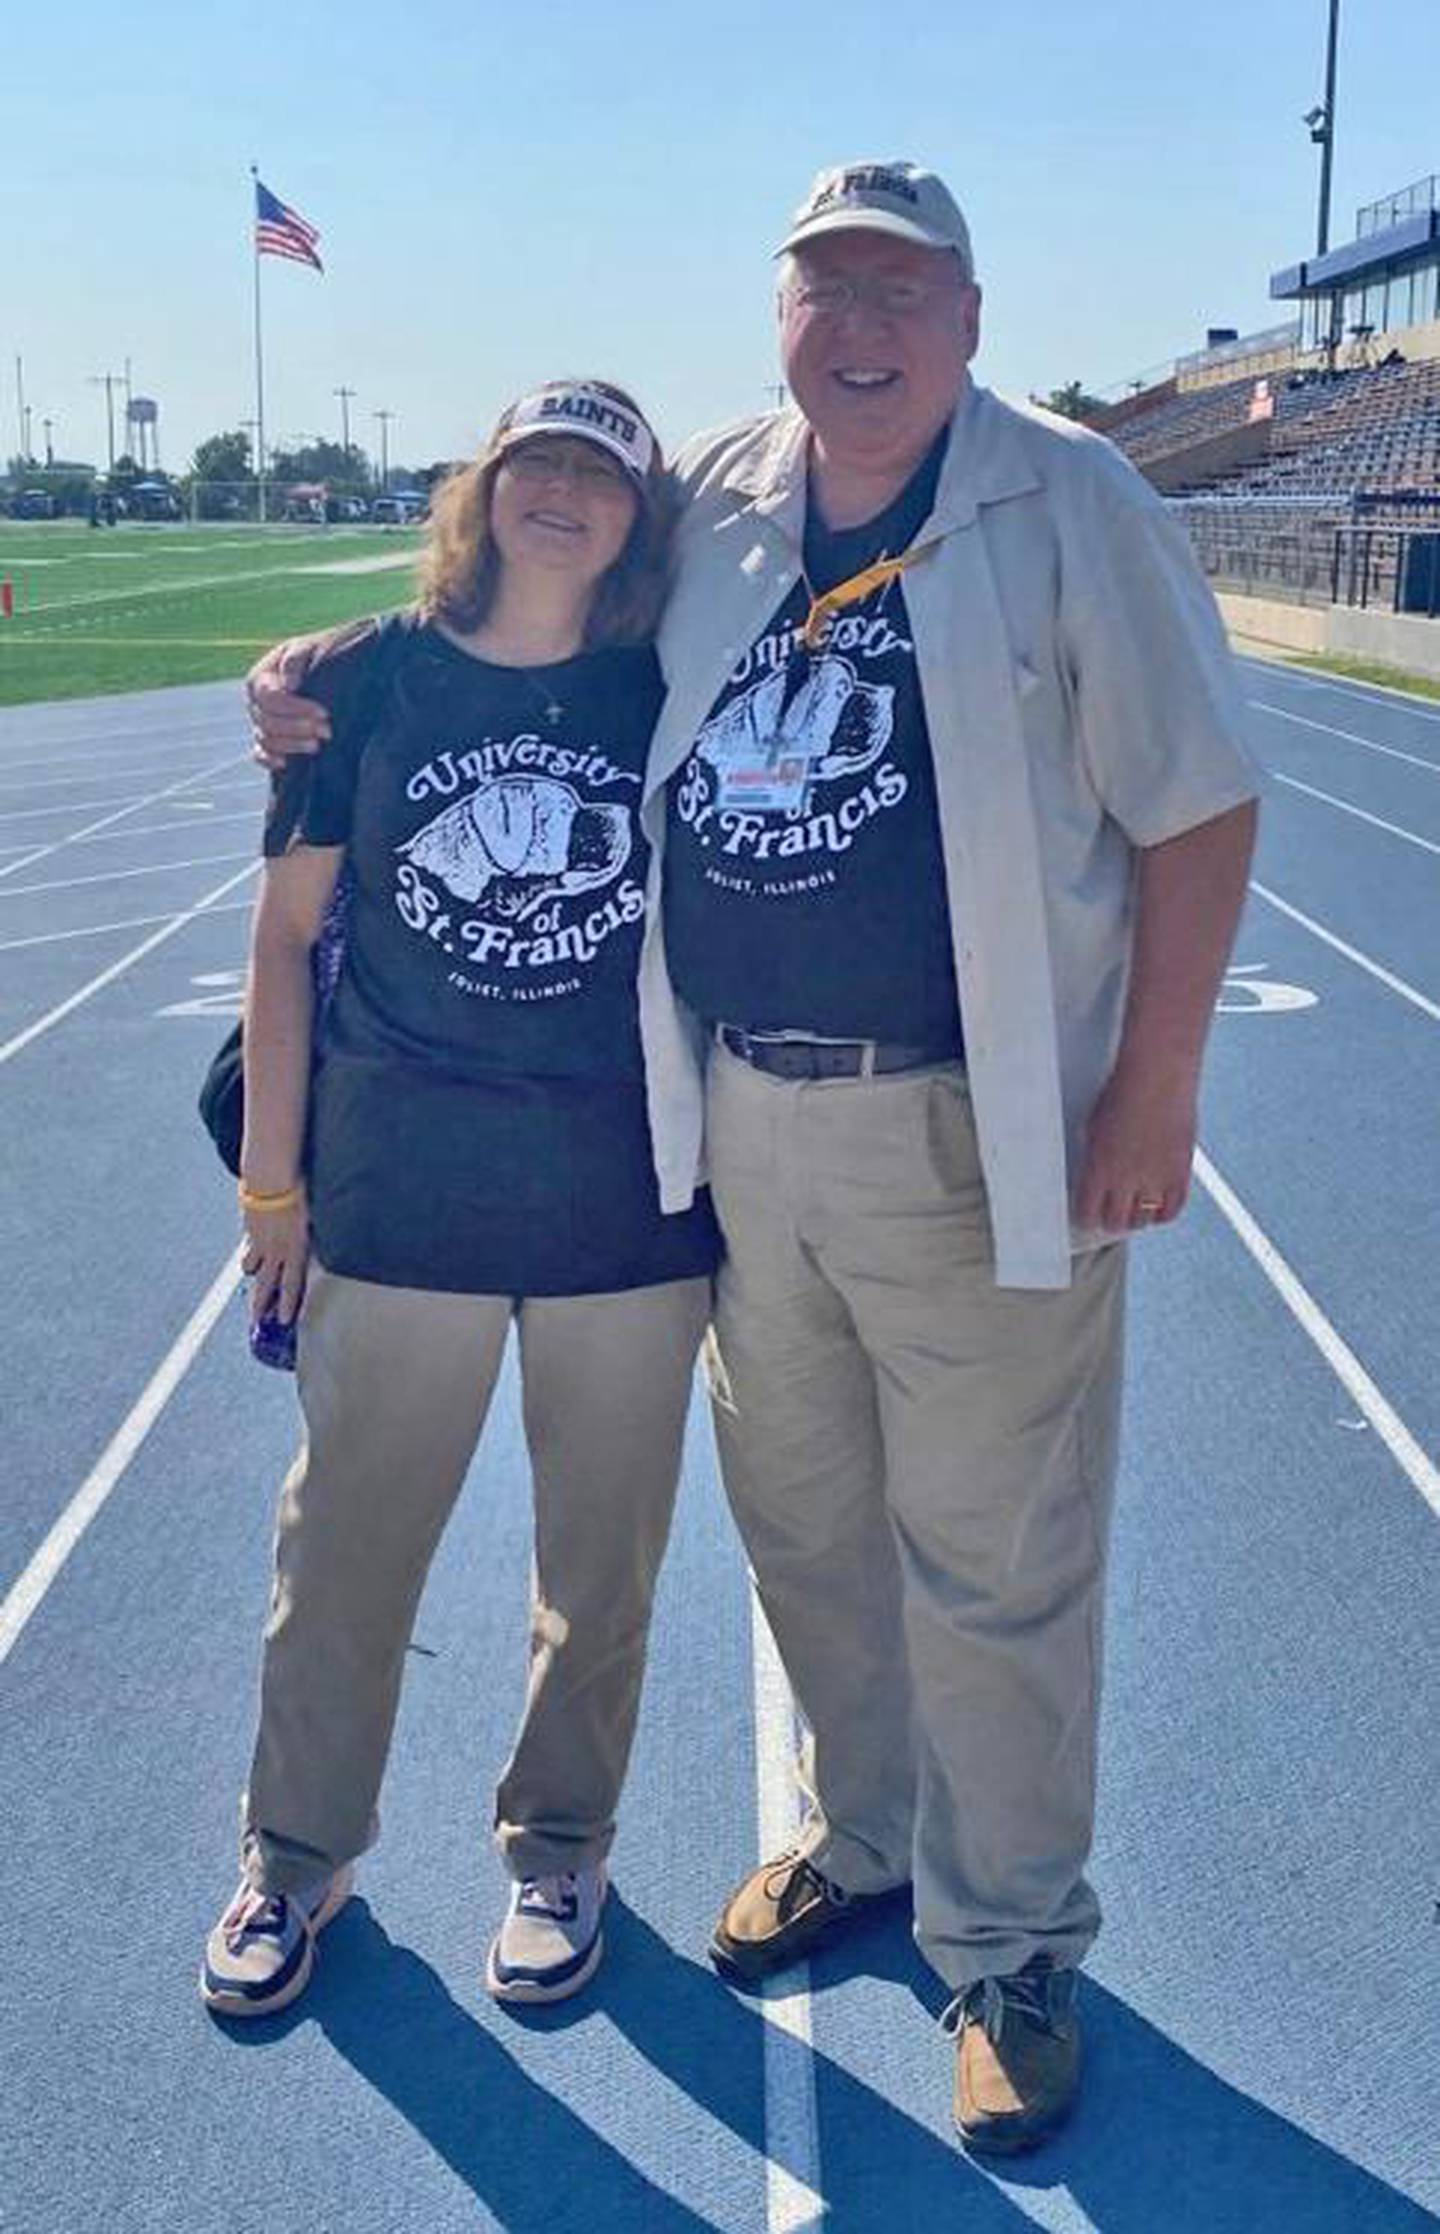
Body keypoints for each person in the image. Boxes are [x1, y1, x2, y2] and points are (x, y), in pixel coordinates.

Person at [248, 162, 1259, 2154]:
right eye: (826, 293)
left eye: (903, 293)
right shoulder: (715, 493)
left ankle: (1014, 1940)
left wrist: (1156, 1093)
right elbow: (512, 596)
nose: (862, 330)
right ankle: (863, 1838)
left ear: (969, 317)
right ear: (778, 317)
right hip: (740, 1134)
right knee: (802, 1528)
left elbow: (1198, 808)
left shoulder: (1072, 503)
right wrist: (314, 665)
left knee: (999, 1554)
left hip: (977, 1121)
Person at [202, 379, 719, 2022]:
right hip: (396, 1186)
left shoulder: (673, 681)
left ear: (640, 517)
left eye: (600, 473)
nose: (562, 492)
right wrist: (271, 1184)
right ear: (482, 488)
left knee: (602, 1561)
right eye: (534, 463)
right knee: (346, 1548)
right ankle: (298, 1856)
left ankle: (560, 1842)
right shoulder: (361, 683)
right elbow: (284, 941)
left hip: (621, 1204)